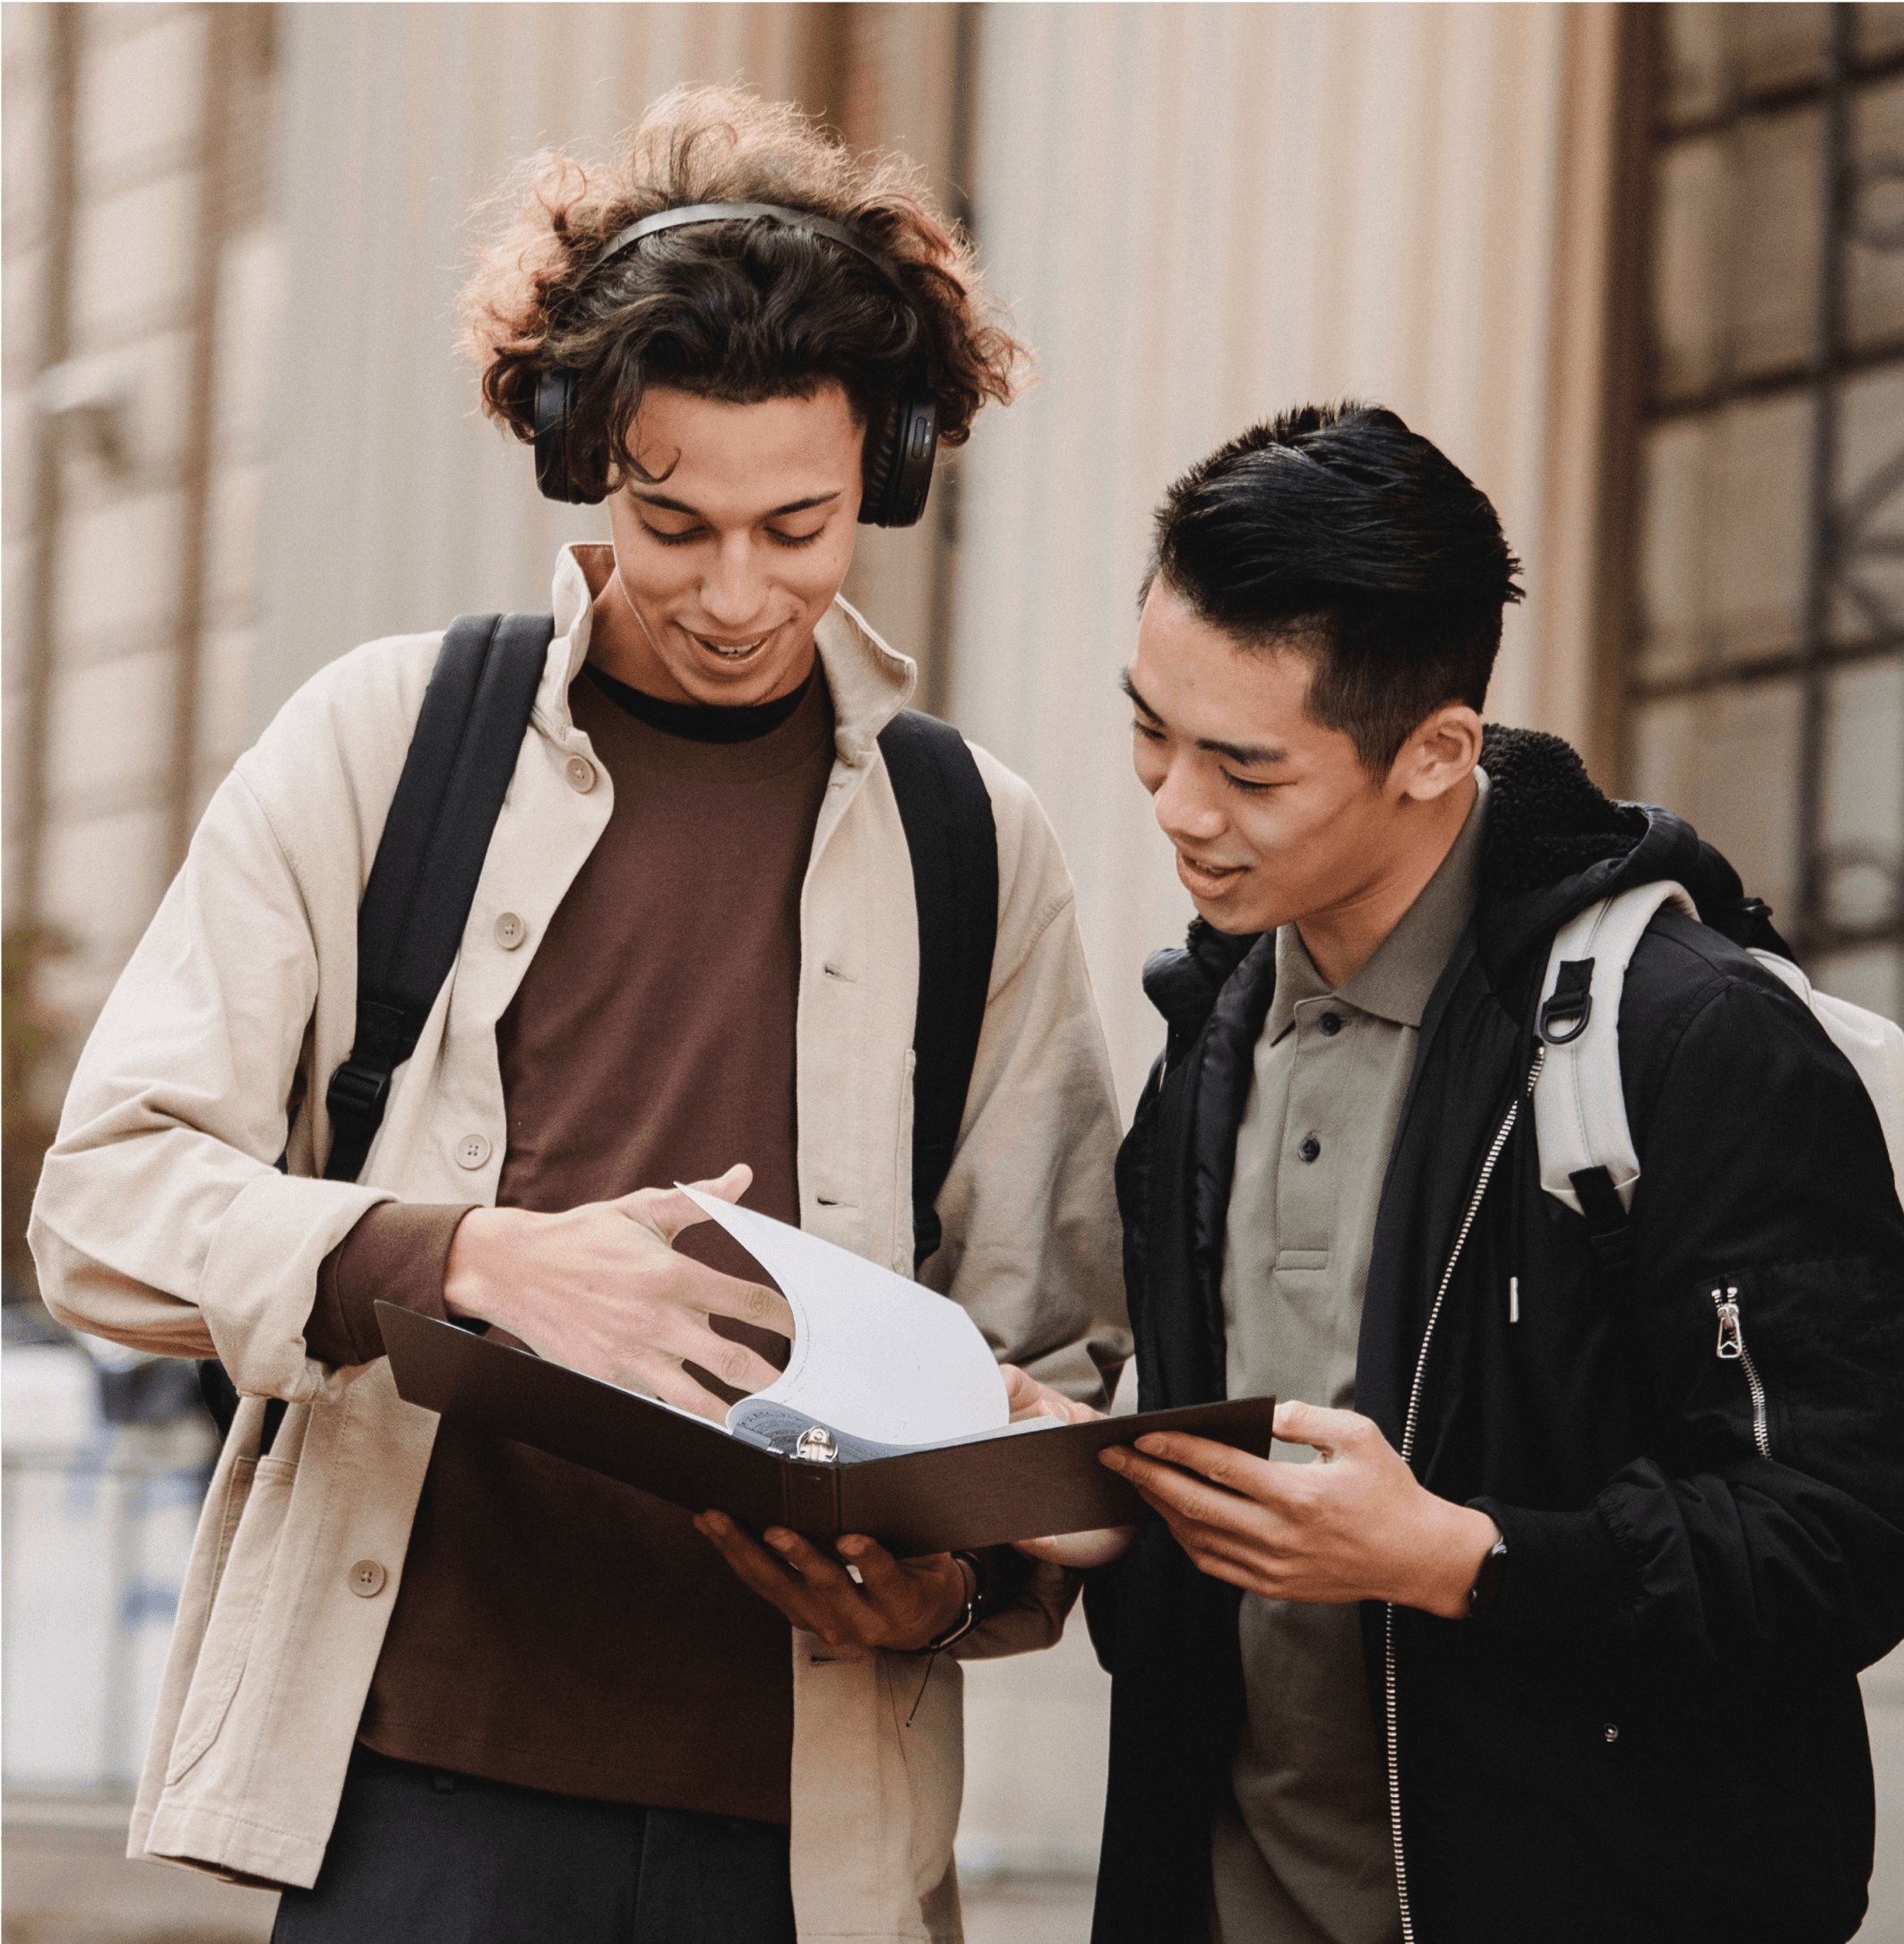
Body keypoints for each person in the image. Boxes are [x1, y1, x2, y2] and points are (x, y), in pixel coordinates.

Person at [29, 87, 1126, 1944]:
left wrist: (954, 1588)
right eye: (670, 516)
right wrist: (468, 1262)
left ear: (899, 467)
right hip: (411, 1805)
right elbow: (101, 1205)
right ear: (573, 457)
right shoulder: (382, 741)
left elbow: (1061, 1360)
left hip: (811, 1847)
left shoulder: (977, 844)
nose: (732, 591)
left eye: (801, 525)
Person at [1016, 403, 1904, 1944]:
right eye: (1152, 729)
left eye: (1247, 766)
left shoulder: (1692, 1040)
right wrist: (1089, 1478)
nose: (1175, 805)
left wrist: (1463, 1561)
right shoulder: (1208, 1025)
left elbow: (1845, 1536)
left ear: (1436, 753)